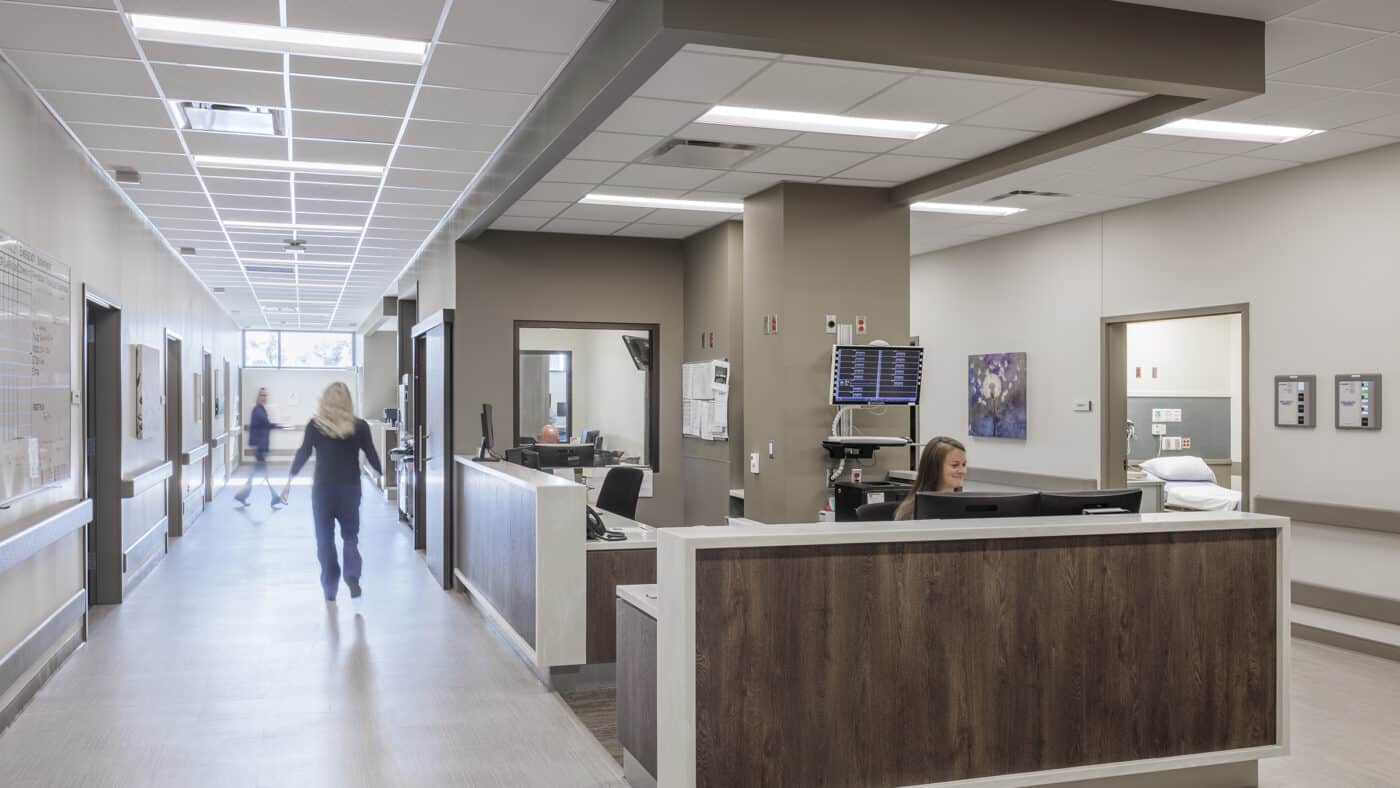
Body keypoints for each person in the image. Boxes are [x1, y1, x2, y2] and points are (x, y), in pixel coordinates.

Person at [280, 383, 381, 602]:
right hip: (350, 489)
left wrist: (289, 480)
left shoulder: (315, 426)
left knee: (324, 539)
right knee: (350, 536)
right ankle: (352, 576)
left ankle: (330, 584)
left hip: (323, 491)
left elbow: (303, 453)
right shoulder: (360, 426)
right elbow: (371, 453)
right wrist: (381, 471)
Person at [894, 436, 968, 520]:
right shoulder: (910, 514)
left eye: (964, 465)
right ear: (934, 467)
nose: (963, 471)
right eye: (955, 465)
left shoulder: (966, 506)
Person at [235, 388, 283, 507]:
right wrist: (254, 446)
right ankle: (274, 497)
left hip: (262, 446)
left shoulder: (261, 410)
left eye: (265, 395)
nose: (264, 397)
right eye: (262, 395)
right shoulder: (257, 410)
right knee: (261, 473)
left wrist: (276, 426)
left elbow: (264, 426)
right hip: (260, 448)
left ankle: (242, 496)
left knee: (258, 473)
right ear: (258, 396)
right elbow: (257, 428)